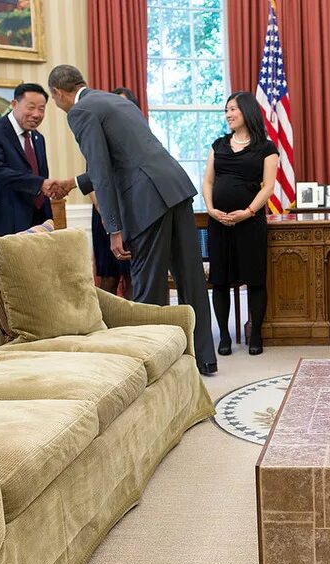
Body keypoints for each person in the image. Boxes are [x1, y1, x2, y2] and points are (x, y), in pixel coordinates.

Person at [47, 65, 217, 376]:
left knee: (148, 287)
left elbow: (102, 169)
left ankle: (150, 363)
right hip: (174, 187)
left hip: (146, 200)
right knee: (191, 278)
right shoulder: (118, 102)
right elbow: (124, 158)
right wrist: (72, 182)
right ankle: (205, 357)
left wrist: (114, 228)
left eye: (54, 101)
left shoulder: (80, 111)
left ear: (58, 93)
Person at [202, 92, 278, 356]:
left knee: (255, 279)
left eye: (232, 109)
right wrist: (211, 209)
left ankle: (255, 333)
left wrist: (247, 212)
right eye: (226, 110)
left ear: (246, 111)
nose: (228, 114)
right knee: (220, 281)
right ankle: (224, 336)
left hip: (250, 222)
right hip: (219, 222)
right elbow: (208, 181)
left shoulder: (266, 148)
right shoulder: (218, 145)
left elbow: (268, 186)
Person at [0, 82, 70, 237]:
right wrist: (40, 184)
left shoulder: (38, 138)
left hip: (39, 223)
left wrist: (50, 191)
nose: (36, 114)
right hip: (6, 223)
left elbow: (41, 177)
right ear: (14, 104)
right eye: (31, 107)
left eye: (41, 109)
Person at [88, 87, 138, 298]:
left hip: (132, 216)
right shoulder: (96, 136)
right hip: (104, 218)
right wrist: (107, 213)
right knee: (108, 278)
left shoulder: (139, 138)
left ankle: (135, 326)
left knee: (133, 277)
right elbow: (91, 178)